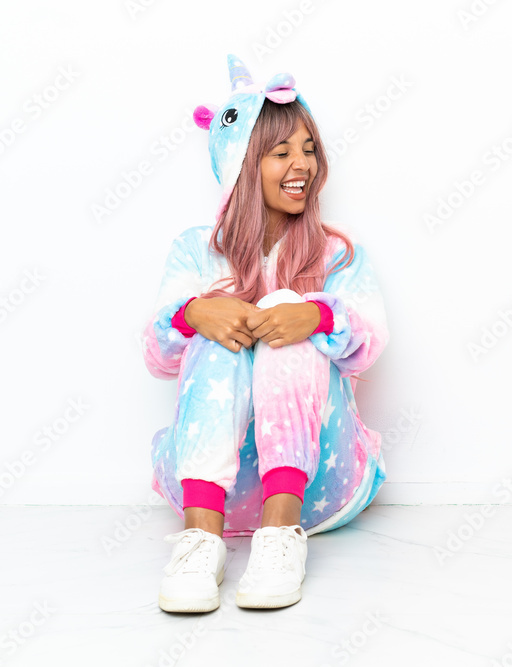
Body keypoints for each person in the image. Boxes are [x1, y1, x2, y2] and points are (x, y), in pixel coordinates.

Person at [141, 55, 389, 613]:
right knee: (214, 318)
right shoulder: (195, 250)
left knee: (286, 308)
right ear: (241, 166)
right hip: (213, 493)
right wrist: (193, 315)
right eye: (280, 153)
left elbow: (371, 340)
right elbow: (156, 351)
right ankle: (200, 542)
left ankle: (281, 539)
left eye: (308, 149)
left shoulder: (337, 253)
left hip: (319, 486)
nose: (301, 164)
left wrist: (319, 317)